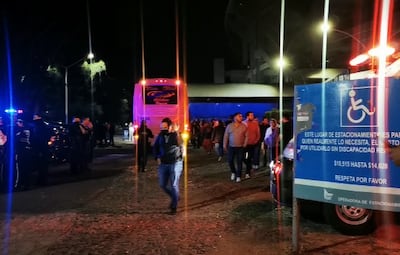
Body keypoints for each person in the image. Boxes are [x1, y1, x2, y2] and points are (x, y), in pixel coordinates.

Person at [153, 117, 183, 214]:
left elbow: (180, 143)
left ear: (170, 127)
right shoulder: (160, 136)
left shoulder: (176, 135)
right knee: (162, 185)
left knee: (174, 185)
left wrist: (177, 132)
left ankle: (173, 207)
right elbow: (155, 147)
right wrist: (157, 156)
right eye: (161, 127)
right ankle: (175, 197)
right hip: (163, 164)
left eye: (165, 127)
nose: (163, 129)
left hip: (175, 163)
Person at [223, 112, 248, 183]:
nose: (241, 117)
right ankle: (233, 172)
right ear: (235, 118)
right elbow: (226, 136)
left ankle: (238, 176)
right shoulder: (229, 126)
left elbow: (246, 136)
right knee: (230, 160)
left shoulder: (244, 126)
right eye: (239, 116)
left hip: (240, 147)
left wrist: (245, 144)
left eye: (241, 116)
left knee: (239, 161)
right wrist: (224, 145)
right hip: (231, 147)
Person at [31, 114, 51, 186]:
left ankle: (40, 181)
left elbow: (34, 137)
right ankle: (44, 180)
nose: (33, 118)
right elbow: (49, 134)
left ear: (39, 117)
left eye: (35, 116)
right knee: (44, 165)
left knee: (40, 165)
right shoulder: (45, 125)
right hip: (44, 147)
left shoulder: (35, 126)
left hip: (38, 148)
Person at [15, 119, 32, 190]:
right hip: (27, 151)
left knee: (20, 169)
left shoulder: (19, 131)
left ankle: (19, 184)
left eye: (18, 122)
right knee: (26, 168)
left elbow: (17, 142)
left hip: (21, 152)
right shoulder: (29, 130)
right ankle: (26, 184)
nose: (17, 123)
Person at [243, 112, 260, 179]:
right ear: (247, 116)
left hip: (253, 144)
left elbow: (258, 133)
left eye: (253, 115)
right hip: (244, 144)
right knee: (243, 157)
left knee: (249, 158)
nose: (252, 116)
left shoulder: (255, 124)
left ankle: (247, 172)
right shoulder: (243, 123)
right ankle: (249, 167)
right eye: (251, 115)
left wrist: (256, 140)